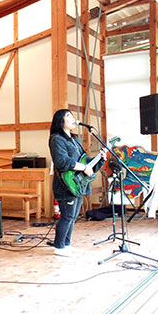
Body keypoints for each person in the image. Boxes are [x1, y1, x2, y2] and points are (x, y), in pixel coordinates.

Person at [48, 109, 106, 257]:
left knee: (73, 217)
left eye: (72, 116)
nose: (73, 118)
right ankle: (59, 247)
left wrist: (100, 159)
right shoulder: (56, 139)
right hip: (65, 185)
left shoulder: (75, 140)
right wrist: (84, 168)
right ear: (60, 120)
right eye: (68, 116)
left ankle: (66, 244)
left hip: (78, 184)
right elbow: (62, 161)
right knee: (67, 216)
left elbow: (84, 160)